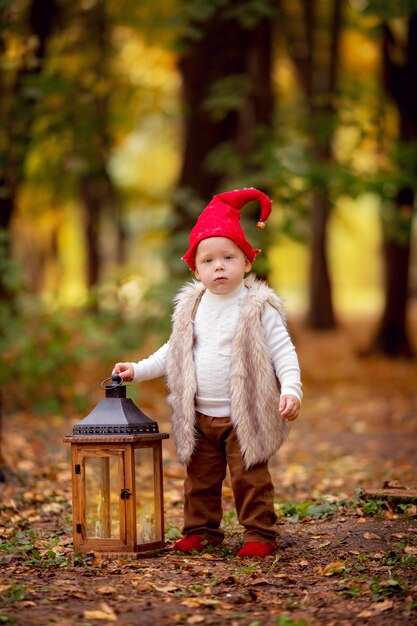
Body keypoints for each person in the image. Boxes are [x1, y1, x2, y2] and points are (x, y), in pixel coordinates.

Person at [112, 188, 302, 558]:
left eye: (229, 257)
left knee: (250, 478)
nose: (219, 266)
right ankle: (201, 531)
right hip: (199, 415)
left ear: (247, 263)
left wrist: (291, 389)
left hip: (244, 414)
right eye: (209, 260)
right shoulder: (192, 308)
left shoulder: (258, 307)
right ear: (195, 269)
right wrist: (137, 369)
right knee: (199, 480)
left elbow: (284, 352)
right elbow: (173, 352)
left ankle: (259, 534)